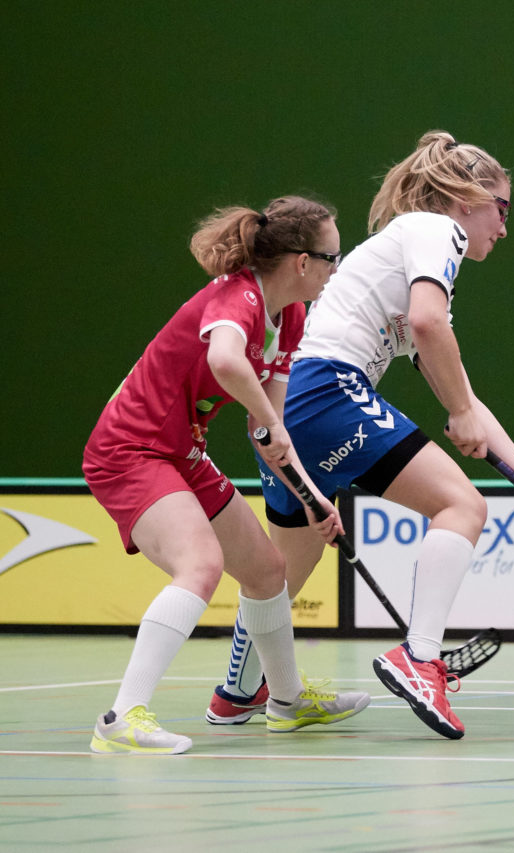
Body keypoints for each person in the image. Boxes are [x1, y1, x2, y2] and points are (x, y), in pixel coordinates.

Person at [206, 130, 514, 741]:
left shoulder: (401, 251)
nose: (502, 229)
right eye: (500, 210)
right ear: (466, 199)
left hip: (290, 413)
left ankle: (237, 693)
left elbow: (458, 387)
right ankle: (421, 657)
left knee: (281, 573)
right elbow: (429, 327)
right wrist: (458, 412)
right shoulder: (434, 231)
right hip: (325, 392)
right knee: (463, 504)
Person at [83, 196, 371, 755]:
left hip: (180, 451)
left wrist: (312, 499)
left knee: (267, 571)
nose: (337, 270)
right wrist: (268, 422)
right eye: (332, 258)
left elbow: (271, 433)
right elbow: (224, 362)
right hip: (130, 450)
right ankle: (121, 717)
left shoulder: (290, 316)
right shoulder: (236, 298)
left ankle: (287, 702)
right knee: (201, 564)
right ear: (299, 262)